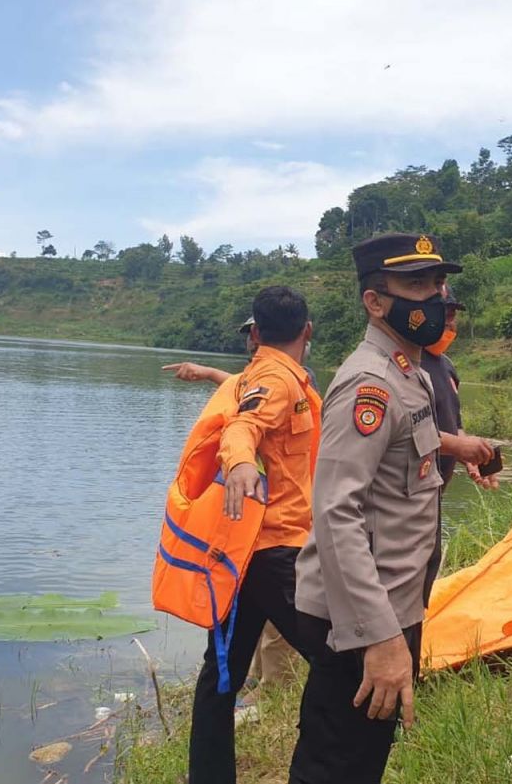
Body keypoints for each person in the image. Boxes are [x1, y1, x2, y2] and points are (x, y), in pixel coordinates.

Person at [289, 233, 461, 784]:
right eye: (416, 284)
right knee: (337, 766)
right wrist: (380, 637)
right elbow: (335, 513)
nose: (434, 296)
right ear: (375, 301)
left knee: (359, 761)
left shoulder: (410, 372)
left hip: (390, 605)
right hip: (361, 617)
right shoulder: (371, 384)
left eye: (437, 282)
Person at [185, 286, 320, 784]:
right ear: (308, 330)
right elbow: (243, 426)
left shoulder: (276, 378)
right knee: (335, 660)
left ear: (257, 332)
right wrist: (241, 462)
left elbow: (246, 407)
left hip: (249, 553)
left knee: (221, 676)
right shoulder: (277, 379)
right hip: (272, 553)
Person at [421, 283, 499, 491]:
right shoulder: (409, 366)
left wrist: (471, 454)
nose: (449, 323)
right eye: (443, 315)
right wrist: (459, 446)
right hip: (409, 494)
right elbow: (404, 434)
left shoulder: (447, 366)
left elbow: (455, 427)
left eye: (452, 316)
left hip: (435, 494)